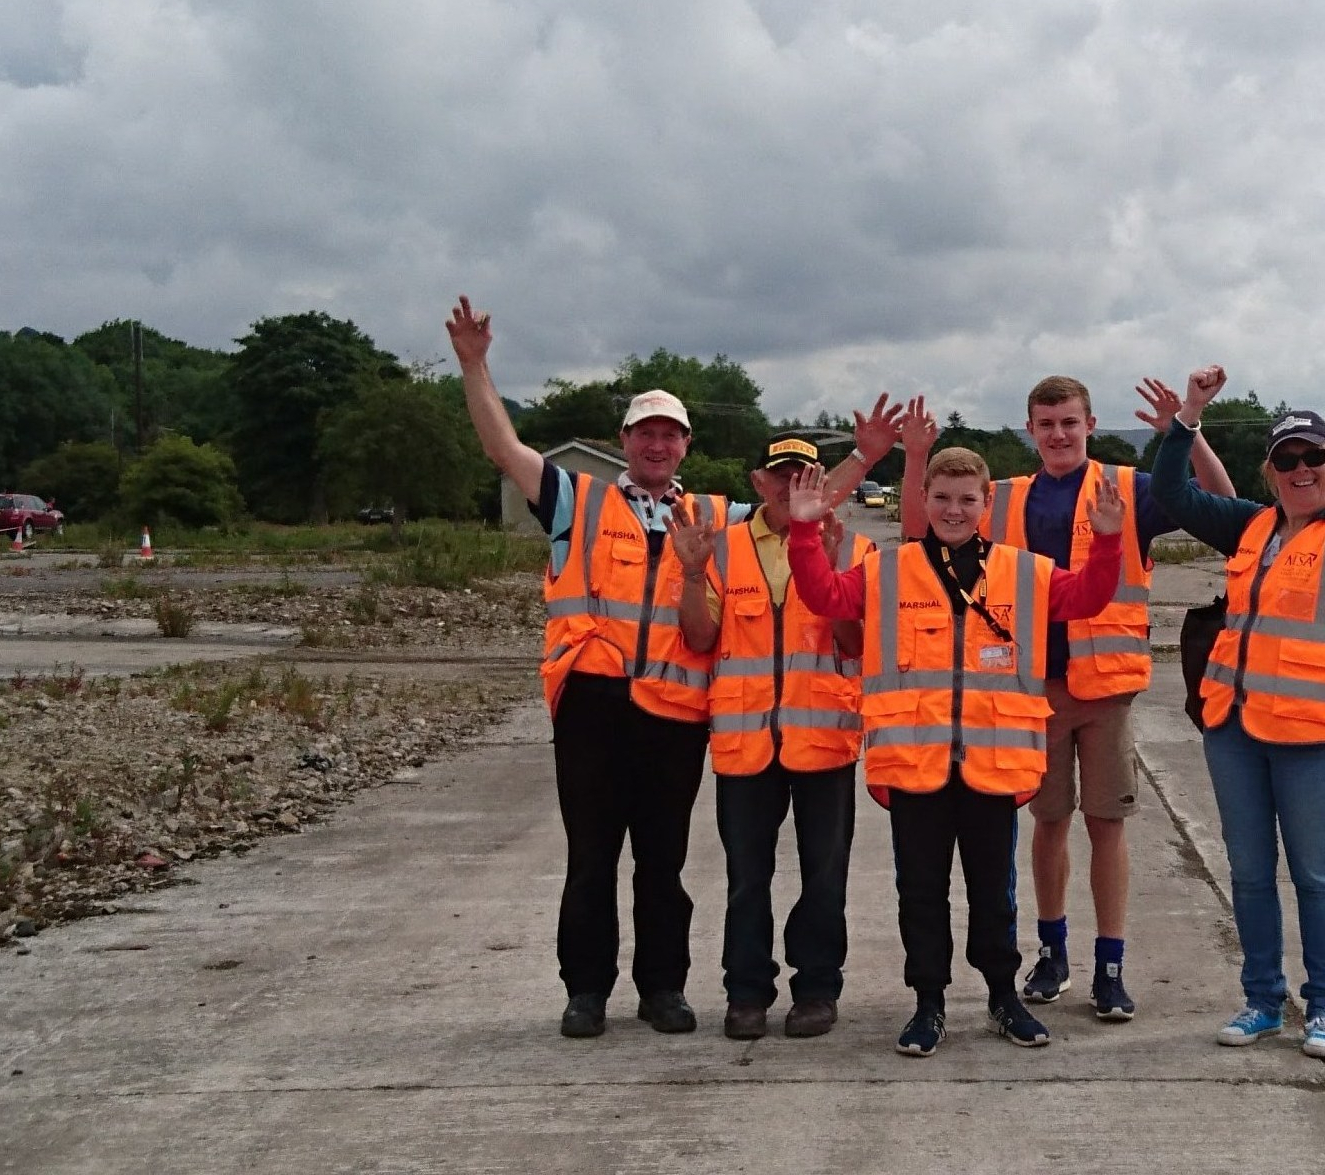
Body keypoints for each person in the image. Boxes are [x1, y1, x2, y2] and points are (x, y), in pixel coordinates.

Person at [444, 296, 878, 1039]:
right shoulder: (575, 500)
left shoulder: (715, 516)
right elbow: (504, 449)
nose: (657, 444)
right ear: (624, 441)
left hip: (674, 713)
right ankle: (586, 991)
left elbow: (798, 503)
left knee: (662, 863)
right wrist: (474, 365)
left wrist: (865, 459)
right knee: (590, 858)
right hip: (592, 703)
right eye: (645, 432)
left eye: (669, 434)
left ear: (685, 446)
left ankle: (662, 990)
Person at [894, 378, 1235, 1021]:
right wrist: (917, 458)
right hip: (1029, 691)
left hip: (1105, 690)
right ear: (1030, 430)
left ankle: (1111, 964)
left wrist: (1187, 434)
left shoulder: (1126, 488)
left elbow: (1220, 503)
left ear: (1090, 425)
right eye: (1046, 423)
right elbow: (924, 529)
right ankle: (1052, 953)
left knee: (1106, 824)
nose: (1058, 434)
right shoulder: (1005, 497)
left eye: (1069, 422)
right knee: (1048, 822)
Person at [1147, 320, 1325, 1060]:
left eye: (1312, 457)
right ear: (1271, 471)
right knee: (1248, 873)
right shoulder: (1251, 527)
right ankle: (1262, 1001)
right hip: (1234, 729)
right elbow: (1172, 494)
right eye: (1286, 459)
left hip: (1312, 735)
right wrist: (1189, 417)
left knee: (1314, 873)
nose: (1301, 469)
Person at [787, 445, 1123, 1056]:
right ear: (922, 500)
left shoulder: (1024, 571)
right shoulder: (887, 570)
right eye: (941, 497)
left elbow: (1088, 598)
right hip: (915, 766)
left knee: (994, 893)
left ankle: (1002, 997)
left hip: (993, 765)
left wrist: (1106, 541)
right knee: (920, 894)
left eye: (967, 499)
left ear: (986, 503)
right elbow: (825, 596)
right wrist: (805, 530)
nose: (953, 509)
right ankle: (928, 1003)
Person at [670, 430, 892, 1041]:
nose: (792, 486)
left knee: (825, 874)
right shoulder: (721, 549)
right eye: (781, 475)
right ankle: (746, 993)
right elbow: (700, 638)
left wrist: (836, 577)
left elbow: (856, 646)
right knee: (747, 878)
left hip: (823, 739)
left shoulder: (856, 549)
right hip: (745, 745)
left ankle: (817, 989)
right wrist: (691, 574)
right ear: (759, 482)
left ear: (821, 483)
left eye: (805, 476)